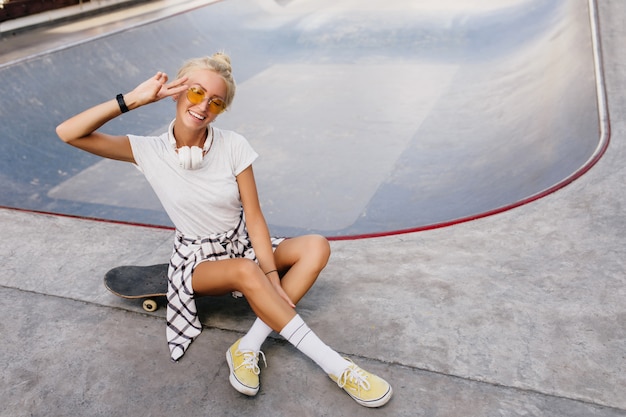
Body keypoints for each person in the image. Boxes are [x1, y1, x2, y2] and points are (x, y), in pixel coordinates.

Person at [56, 52, 392, 408]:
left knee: (316, 247)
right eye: (197, 93)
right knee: (246, 271)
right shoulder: (148, 151)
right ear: (176, 92)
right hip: (197, 260)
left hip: (242, 245)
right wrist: (133, 100)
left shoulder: (233, 146)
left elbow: (255, 217)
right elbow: (68, 133)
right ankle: (336, 366)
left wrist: (272, 275)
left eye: (215, 102)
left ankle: (247, 346)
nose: (204, 107)